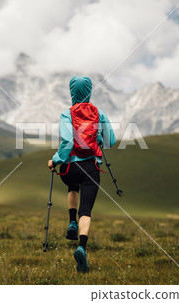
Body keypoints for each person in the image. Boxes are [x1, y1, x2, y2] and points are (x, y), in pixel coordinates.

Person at [48, 76, 116, 273]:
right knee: (85, 212)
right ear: (90, 91)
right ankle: (81, 247)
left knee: (72, 185)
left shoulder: (66, 114)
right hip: (91, 168)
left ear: (71, 91)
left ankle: (71, 221)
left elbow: (67, 143)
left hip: (70, 169)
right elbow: (110, 141)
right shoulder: (99, 113)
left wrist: (55, 159)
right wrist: (98, 140)